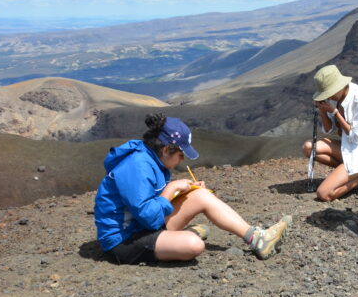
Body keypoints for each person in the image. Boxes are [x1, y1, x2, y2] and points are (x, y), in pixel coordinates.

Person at [94, 113, 291, 264]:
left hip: (142, 225)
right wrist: (171, 190)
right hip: (123, 241)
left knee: (201, 195)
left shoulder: (154, 160)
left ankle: (258, 239)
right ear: (165, 150)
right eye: (180, 154)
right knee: (193, 245)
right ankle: (180, 238)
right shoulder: (137, 166)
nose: (183, 159)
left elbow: (151, 203)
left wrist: (186, 192)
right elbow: (148, 217)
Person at [303, 64, 358, 201]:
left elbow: (355, 137)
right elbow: (328, 129)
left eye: (329, 93)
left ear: (339, 86)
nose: (329, 96)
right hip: (348, 148)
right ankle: (350, 175)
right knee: (309, 148)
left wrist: (336, 113)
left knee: (323, 194)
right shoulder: (336, 98)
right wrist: (322, 110)